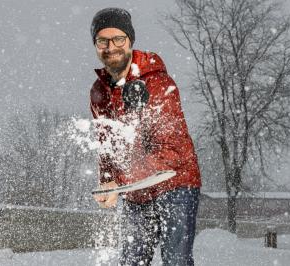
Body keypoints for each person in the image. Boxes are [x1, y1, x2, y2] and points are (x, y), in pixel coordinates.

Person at [89, 7, 202, 266]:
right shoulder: (99, 92)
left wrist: (123, 182)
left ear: (130, 41)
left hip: (175, 182)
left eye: (118, 39)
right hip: (136, 190)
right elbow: (107, 146)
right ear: (96, 45)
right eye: (102, 40)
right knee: (131, 260)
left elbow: (170, 150)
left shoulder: (157, 82)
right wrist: (108, 181)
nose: (111, 47)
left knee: (176, 259)